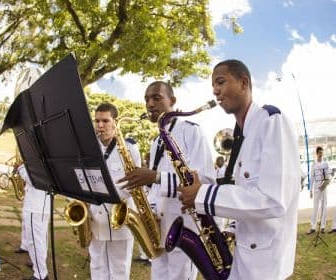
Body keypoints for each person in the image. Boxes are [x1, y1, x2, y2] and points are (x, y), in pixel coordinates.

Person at [178, 60, 300, 280]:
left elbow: (274, 200)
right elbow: (249, 191)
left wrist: (202, 194)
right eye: (213, 85)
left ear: (244, 83)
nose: (215, 90)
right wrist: (232, 227)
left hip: (265, 264)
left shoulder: (272, 122)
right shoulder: (243, 134)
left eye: (221, 81)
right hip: (245, 255)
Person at [118, 81, 216, 280]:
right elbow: (156, 187)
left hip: (185, 228)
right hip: (160, 229)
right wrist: (150, 209)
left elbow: (204, 179)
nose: (150, 104)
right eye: (146, 99)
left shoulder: (191, 130)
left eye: (156, 98)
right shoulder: (156, 141)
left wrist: (154, 177)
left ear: (173, 100)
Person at [89, 102, 139, 280]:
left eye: (105, 121)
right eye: (97, 121)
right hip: (95, 216)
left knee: (120, 268)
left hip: (121, 217)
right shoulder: (89, 148)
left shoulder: (130, 148)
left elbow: (133, 184)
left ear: (115, 122)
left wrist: (105, 194)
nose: (100, 125)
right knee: (97, 265)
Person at [18, 163, 50, 280]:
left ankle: (40, 274)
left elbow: (33, 180)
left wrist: (21, 167)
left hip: (35, 206)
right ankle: (38, 263)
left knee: (34, 241)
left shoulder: (37, 159)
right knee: (42, 239)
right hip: (42, 206)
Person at [307, 146, 331, 234]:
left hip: (324, 187)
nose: (321, 154)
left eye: (322, 153)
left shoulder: (326, 163)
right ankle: (313, 227)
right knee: (315, 207)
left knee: (324, 206)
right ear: (317, 153)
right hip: (316, 187)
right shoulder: (314, 164)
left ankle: (323, 227)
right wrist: (310, 190)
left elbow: (328, 176)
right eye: (320, 153)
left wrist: (325, 183)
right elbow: (311, 178)